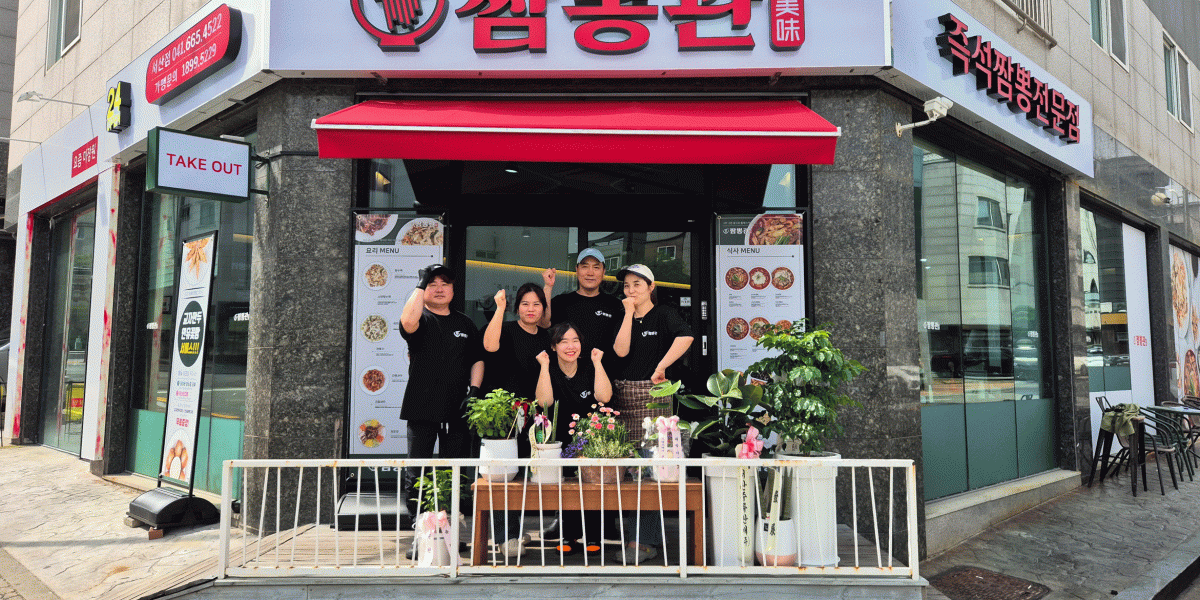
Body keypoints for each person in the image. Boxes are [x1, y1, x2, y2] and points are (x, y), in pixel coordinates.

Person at [610, 263, 694, 565]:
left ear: (651, 287)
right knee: (631, 468)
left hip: (654, 396)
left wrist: (661, 366)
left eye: (637, 284)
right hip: (624, 395)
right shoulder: (623, 315)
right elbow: (621, 351)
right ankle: (642, 536)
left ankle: (643, 541)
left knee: (650, 468)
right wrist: (628, 314)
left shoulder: (664, 314)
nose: (631, 290)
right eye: (627, 285)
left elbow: (686, 336)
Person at [398, 264, 484, 506]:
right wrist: (420, 283)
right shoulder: (420, 319)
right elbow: (407, 322)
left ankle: (452, 519)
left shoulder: (465, 323)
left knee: (455, 469)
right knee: (418, 469)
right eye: (432, 284)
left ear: (453, 290)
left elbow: (477, 359)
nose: (439, 289)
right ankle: (418, 520)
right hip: (421, 406)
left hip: (457, 408)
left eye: (445, 284)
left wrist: (474, 391)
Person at [480, 282, 550, 558]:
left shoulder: (546, 338)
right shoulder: (506, 328)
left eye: (537, 304)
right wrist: (500, 309)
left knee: (523, 476)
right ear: (516, 307)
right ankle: (505, 537)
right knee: (502, 475)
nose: (531, 309)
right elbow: (489, 345)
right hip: (504, 416)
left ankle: (515, 531)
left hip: (534, 415)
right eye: (525, 304)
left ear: (543, 308)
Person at [534, 323, 613, 557]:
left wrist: (598, 362)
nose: (571, 346)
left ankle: (594, 535)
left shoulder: (590, 367)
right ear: (554, 346)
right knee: (566, 486)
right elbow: (544, 402)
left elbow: (604, 396)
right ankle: (568, 535)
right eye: (564, 342)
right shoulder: (549, 369)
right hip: (559, 440)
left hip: (589, 438)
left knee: (592, 485)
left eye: (575, 341)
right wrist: (544, 366)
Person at [542, 248, 624, 366]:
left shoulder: (615, 306)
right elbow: (543, 323)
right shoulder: (561, 302)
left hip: (603, 373)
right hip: (568, 373)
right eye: (585, 266)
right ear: (577, 270)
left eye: (596, 267)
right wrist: (548, 287)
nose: (590, 273)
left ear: (603, 271)